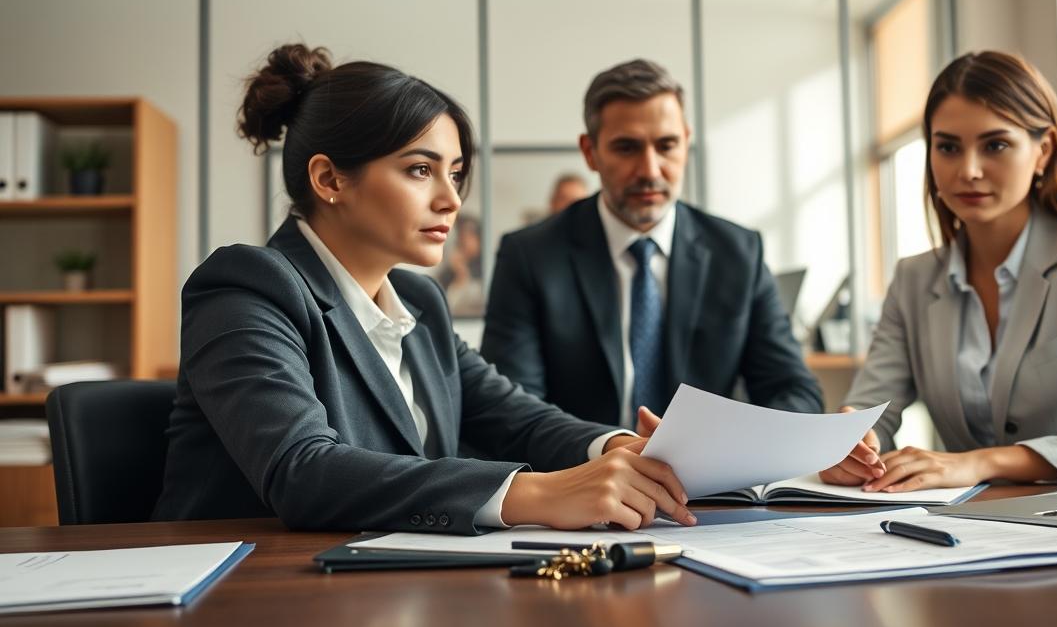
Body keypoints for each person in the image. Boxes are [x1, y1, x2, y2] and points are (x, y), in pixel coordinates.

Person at [154, 44, 697, 534]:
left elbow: (515, 418)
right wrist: (537, 493)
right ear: (330, 180)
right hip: (246, 594)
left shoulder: (420, 302)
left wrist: (621, 447)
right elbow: (303, 472)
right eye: (420, 170)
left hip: (392, 585)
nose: (452, 200)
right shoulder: (247, 289)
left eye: (455, 173)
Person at [822, 51, 1057, 493]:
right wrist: (851, 444)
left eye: (995, 145)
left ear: (1042, 151)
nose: (968, 170)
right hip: (967, 529)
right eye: (948, 147)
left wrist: (981, 463)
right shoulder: (914, 279)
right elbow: (871, 408)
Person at [480, 58, 823, 429]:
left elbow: (794, 391)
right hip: (583, 475)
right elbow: (511, 411)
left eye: (667, 145)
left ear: (686, 143)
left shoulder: (738, 253)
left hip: (710, 480)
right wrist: (609, 453)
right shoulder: (530, 256)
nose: (650, 170)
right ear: (590, 152)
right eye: (627, 148)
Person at [442, 213, 485, 316]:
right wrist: (460, 276)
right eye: (461, 235)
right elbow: (448, 307)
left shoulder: (487, 267)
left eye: (469, 235)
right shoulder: (448, 271)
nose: (463, 240)